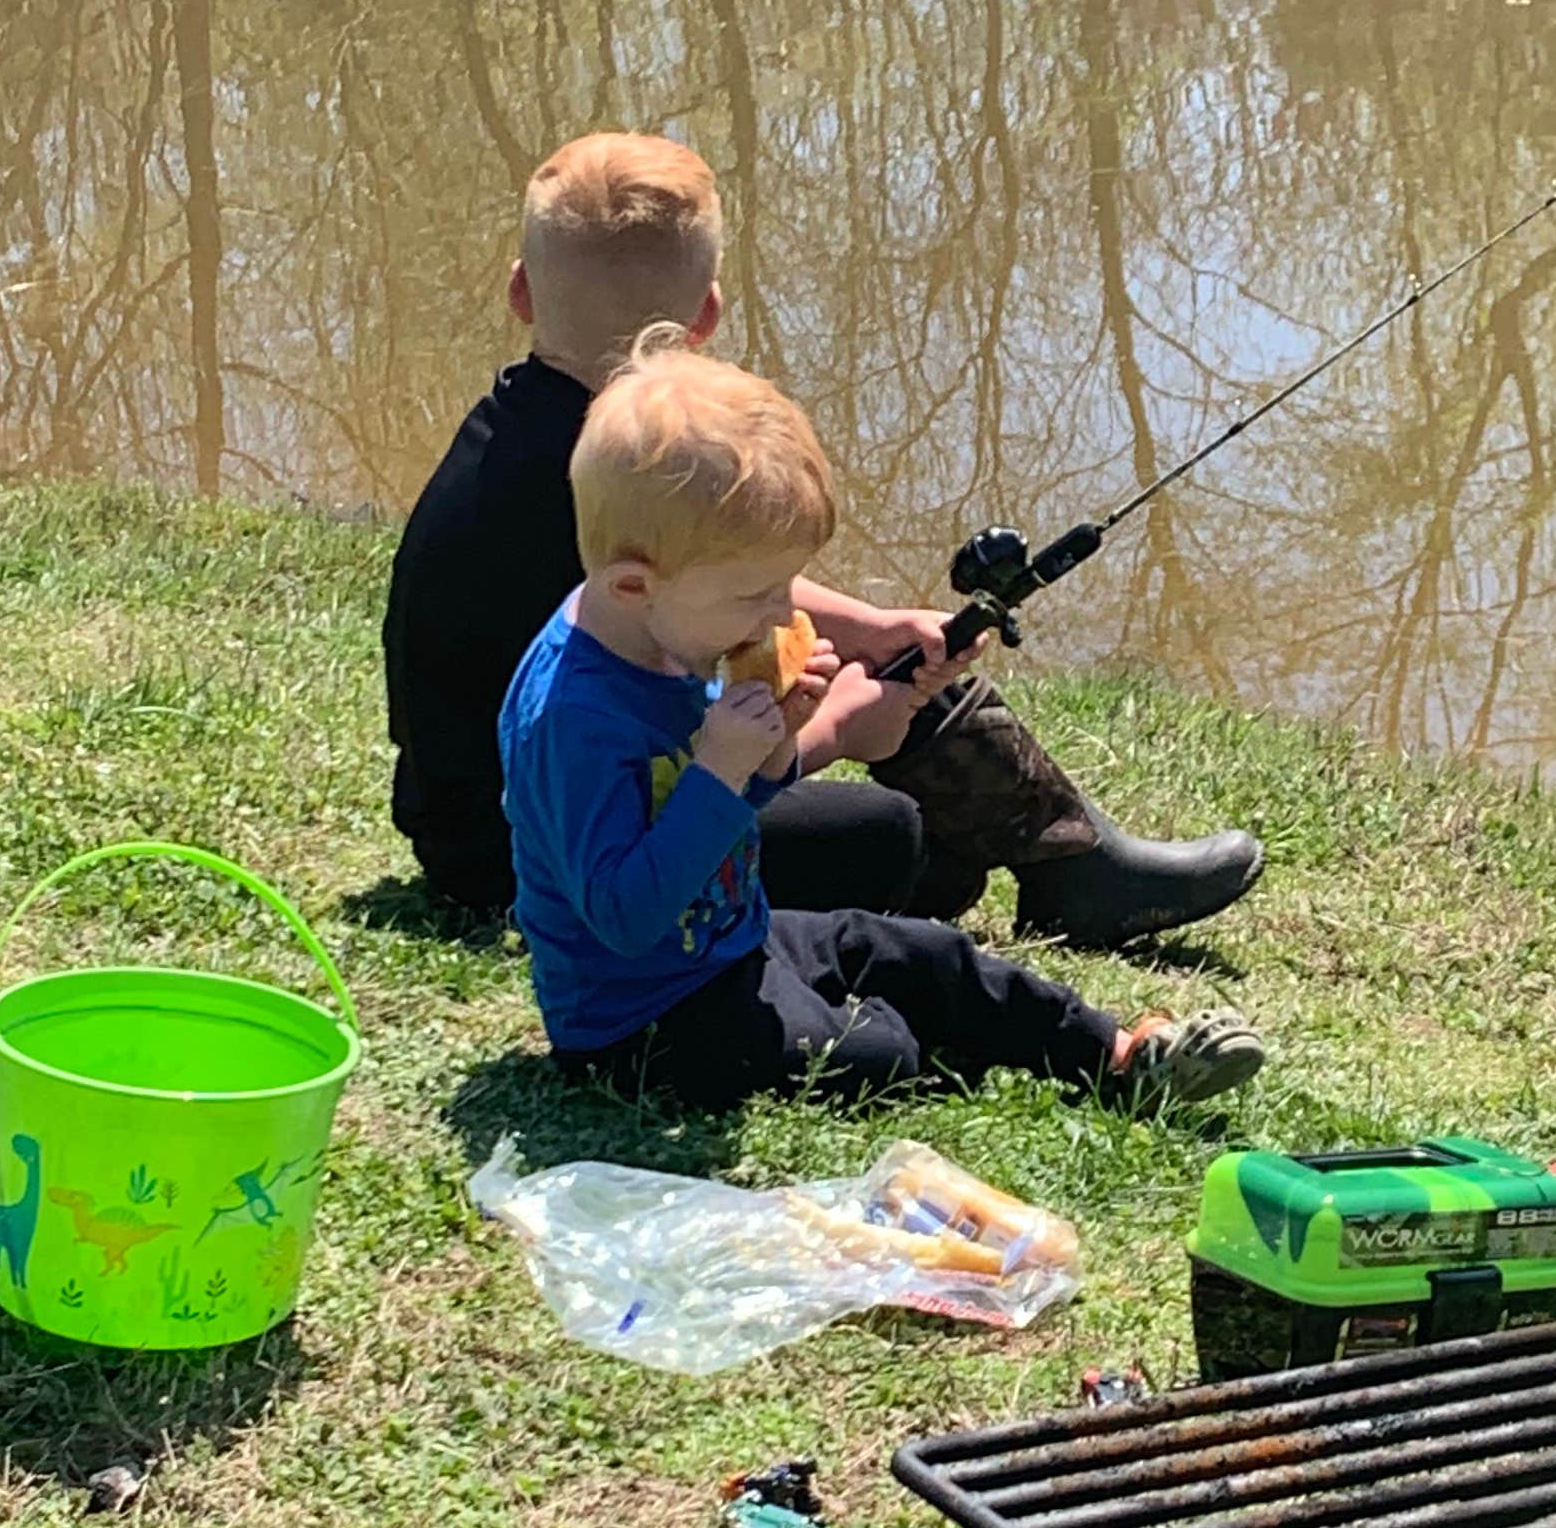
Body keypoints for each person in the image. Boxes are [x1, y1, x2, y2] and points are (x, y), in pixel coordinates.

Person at [385, 132, 1263, 941]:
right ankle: (1049, 862)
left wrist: (875, 633)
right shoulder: (594, 474)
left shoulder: (555, 448)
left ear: (521, 291)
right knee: (894, 840)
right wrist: (837, 728)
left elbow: (705, 586)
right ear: (707, 316)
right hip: (534, 858)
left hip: (478, 822)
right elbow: (673, 736)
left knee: (869, 677)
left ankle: (1066, 858)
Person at [500, 332, 1268, 1124]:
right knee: (881, 1054)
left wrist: (778, 745)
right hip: (641, 1016)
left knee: (926, 954)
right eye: (754, 594)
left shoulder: (668, 626)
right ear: (633, 584)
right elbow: (623, 917)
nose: (780, 612)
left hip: (734, 936)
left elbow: (739, 800)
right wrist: (722, 771)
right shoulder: (575, 717)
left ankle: (1117, 1054)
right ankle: (942, 1050)